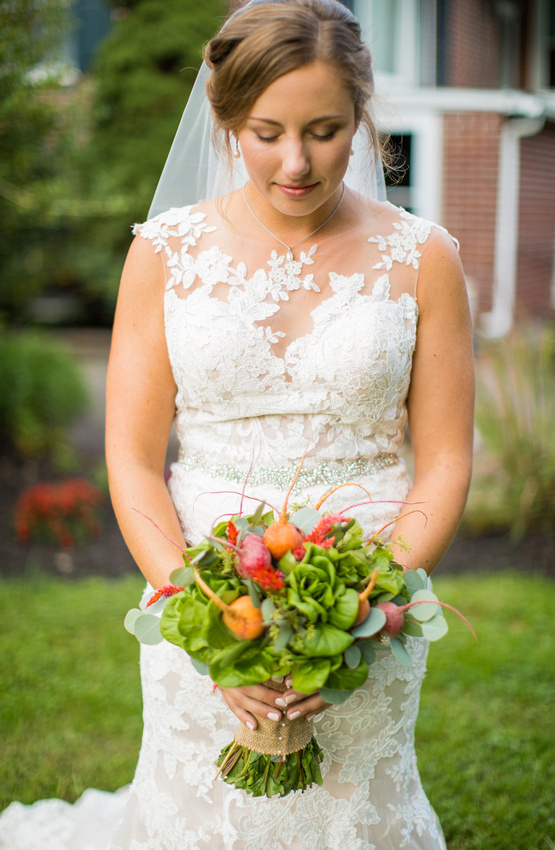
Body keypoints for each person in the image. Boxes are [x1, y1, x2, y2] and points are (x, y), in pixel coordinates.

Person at [0, 0, 474, 847]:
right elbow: (134, 457)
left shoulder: (422, 257)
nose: (295, 161)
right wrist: (204, 619)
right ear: (224, 121)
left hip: (372, 595)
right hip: (198, 584)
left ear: (361, 119)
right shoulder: (166, 252)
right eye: (266, 131)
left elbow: (442, 461)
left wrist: (369, 610)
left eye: (325, 130)